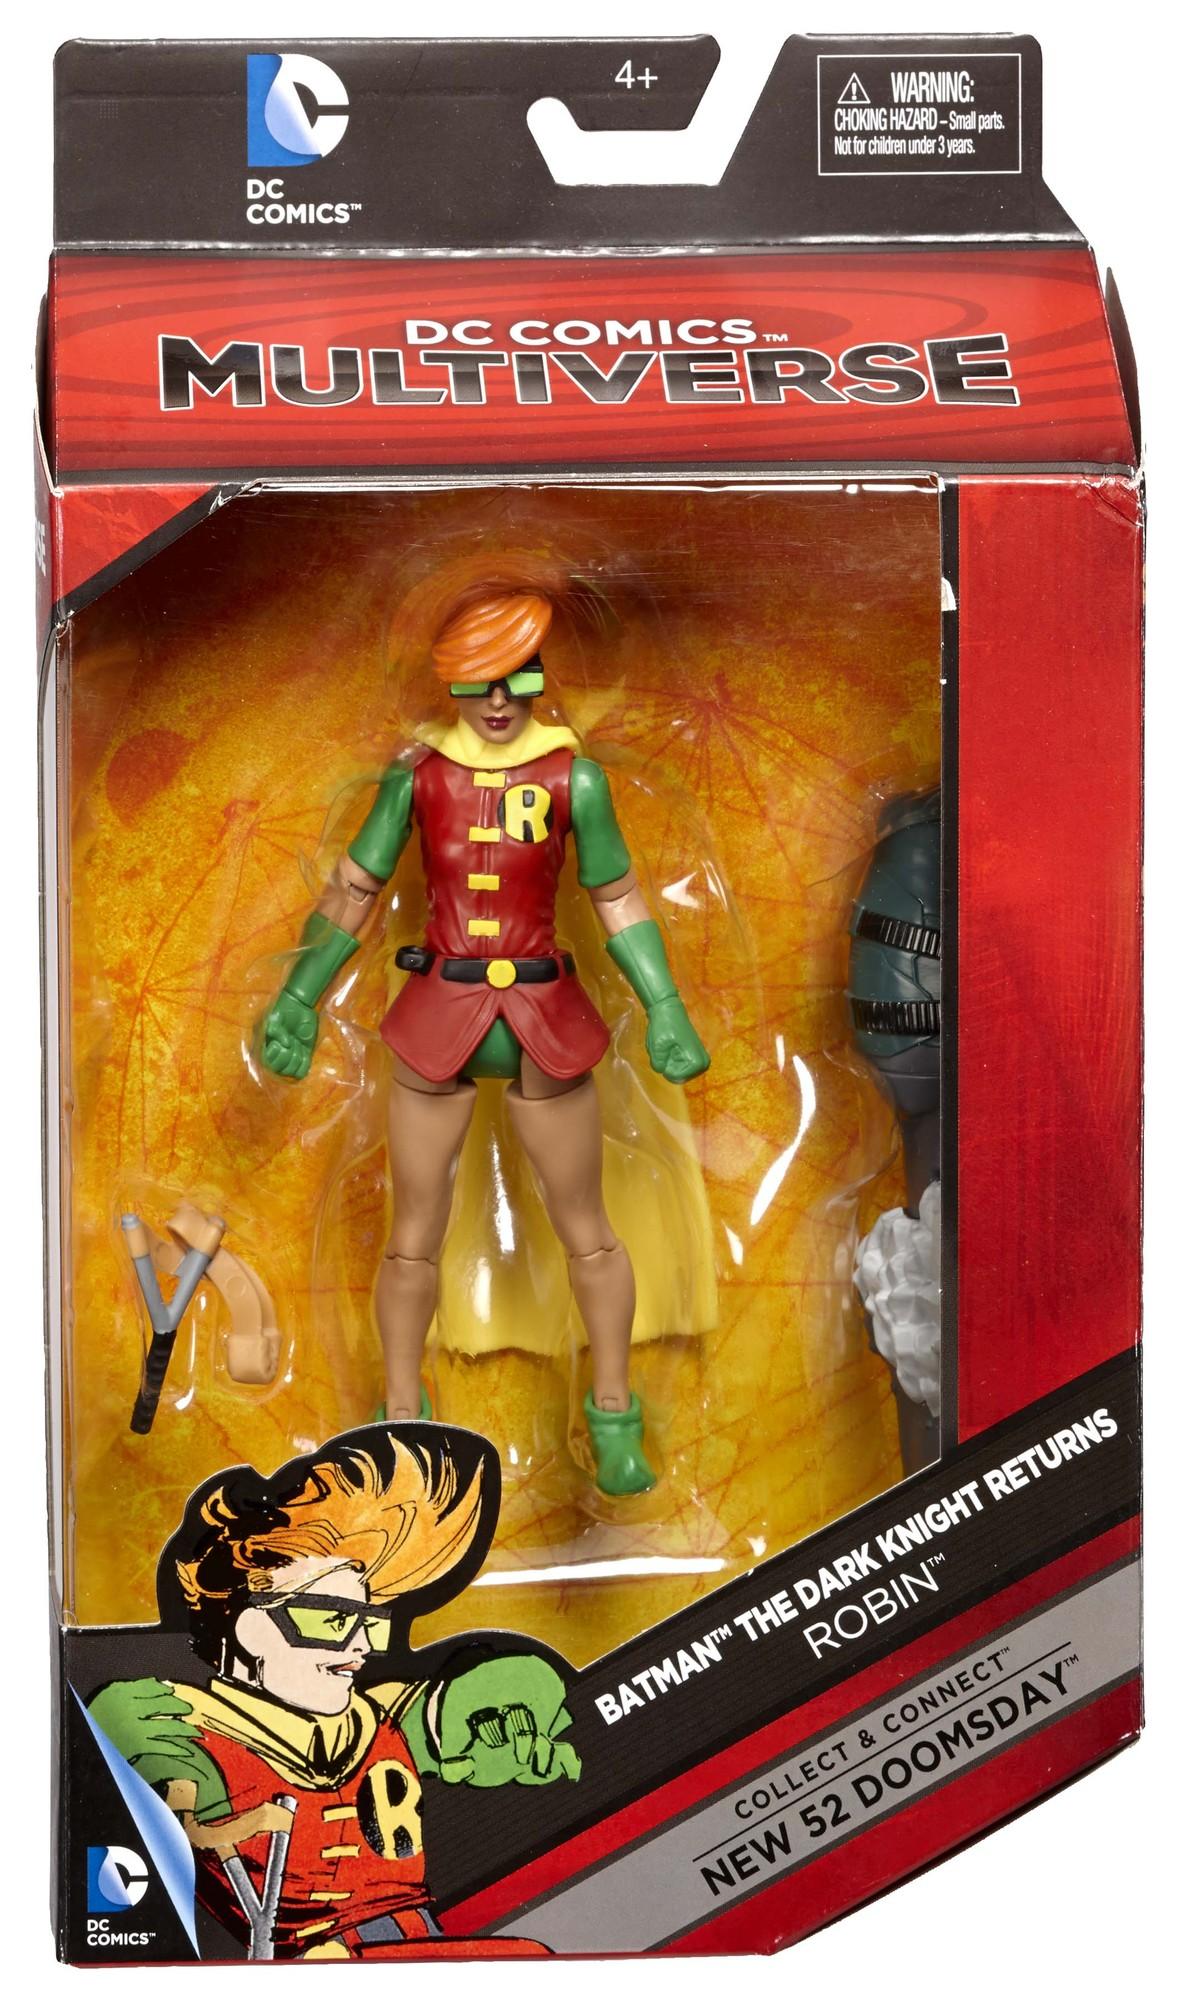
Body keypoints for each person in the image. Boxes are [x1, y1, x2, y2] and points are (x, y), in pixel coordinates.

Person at [259, 584, 709, 1494]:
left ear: (542, 676)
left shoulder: (575, 778)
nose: (500, 700)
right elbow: (354, 889)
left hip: (544, 1013)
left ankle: (612, 1413)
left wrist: (664, 1003)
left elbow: (616, 895)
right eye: (479, 681)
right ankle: (399, 1410)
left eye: (519, 677)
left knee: (587, 1231)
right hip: (440, 1012)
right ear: (452, 682)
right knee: (411, 1234)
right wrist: (299, 993)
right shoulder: (418, 778)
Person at [88, 1425, 577, 1960]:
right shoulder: (181, 1723)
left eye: (367, 1622)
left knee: (531, 1958)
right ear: (254, 1629)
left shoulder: (374, 1720)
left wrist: (512, 1713)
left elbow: (470, 1702)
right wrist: (203, 1815)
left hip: (417, 1955)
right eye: (335, 1620)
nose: (360, 1646)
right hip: (304, 1970)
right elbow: (147, 1759)